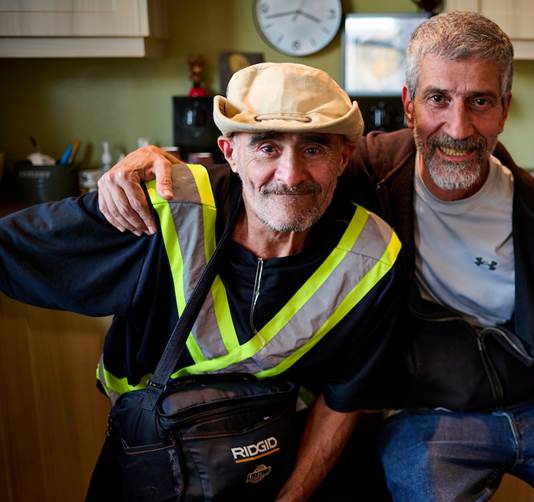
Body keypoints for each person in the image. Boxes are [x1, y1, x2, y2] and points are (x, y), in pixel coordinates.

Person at [97, 12, 534, 502]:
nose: (458, 126)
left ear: (504, 109)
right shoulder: (361, 174)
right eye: (439, 99)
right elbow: (268, 173)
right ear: (409, 104)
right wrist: (156, 160)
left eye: (480, 101)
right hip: (422, 414)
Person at [0, 62, 402, 501]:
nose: (290, 175)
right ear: (229, 153)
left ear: (343, 158)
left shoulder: (373, 254)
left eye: (314, 149)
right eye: (267, 147)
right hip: (151, 458)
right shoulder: (158, 209)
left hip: (281, 455)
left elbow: (343, 399)